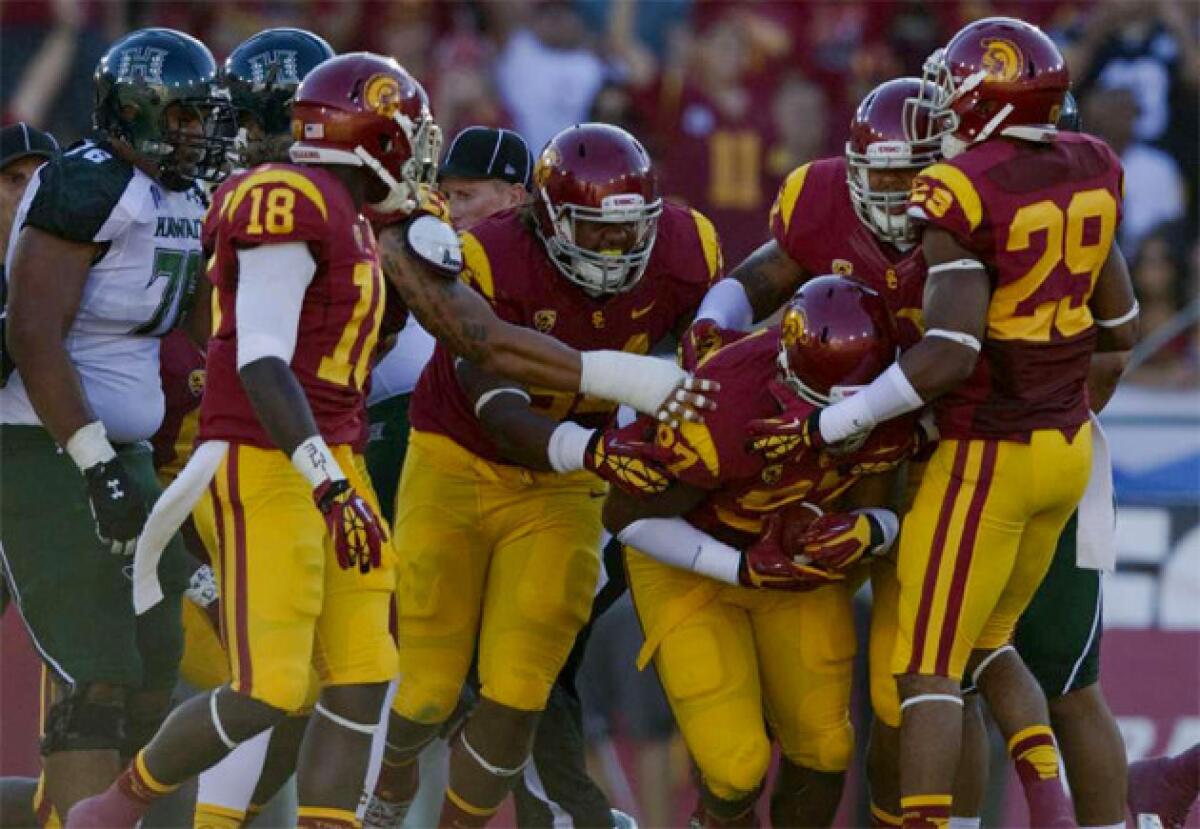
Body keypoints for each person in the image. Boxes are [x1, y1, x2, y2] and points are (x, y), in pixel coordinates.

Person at [763, 17, 1139, 828]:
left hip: (986, 452)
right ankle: (1052, 812)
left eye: (952, 92)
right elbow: (1125, 329)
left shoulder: (960, 188)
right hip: (1066, 447)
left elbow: (950, 354)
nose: (939, 113)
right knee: (992, 656)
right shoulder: (1094, 166)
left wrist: (837, 424)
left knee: (934, 671)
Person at [65, 51, 413, 829]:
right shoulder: (287, 197)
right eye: (402, 129)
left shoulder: (351, 212)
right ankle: (115, 807)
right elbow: (260, 358)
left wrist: (334, 474)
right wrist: (326, 480)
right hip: (267, 461)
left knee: (364, 670)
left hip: (329, 456)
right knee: (271, 685)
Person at [369, 122, 722, 827]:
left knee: (521, 686)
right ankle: (389, 780)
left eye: (628, 230)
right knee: (432, 687)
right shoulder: (491, 255)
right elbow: (498, 400)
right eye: (595, 229)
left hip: (568, 485)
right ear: (544, 216)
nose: (617, 248)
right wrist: (605, 437)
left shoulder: (689, 248)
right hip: (459, 460)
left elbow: (716, 355)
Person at [1, 27, 230, 823]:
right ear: (136, 111)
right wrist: (95, 464)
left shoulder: (184, 192)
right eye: (183, 116)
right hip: (41, 445)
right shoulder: (86, 183)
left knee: (152, 665)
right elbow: (32, 332)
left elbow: (213, 330)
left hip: (120, 448)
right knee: (95, 667)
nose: (198, 133)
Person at [601, 278, 912, 827]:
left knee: (825, 748)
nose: (838, 431)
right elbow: (626, 517)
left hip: (792, 570)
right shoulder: (722, 400)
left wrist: (867, 531)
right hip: (692, 562)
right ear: (787, 374)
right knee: (736, 766)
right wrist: (739, 567)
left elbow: (887, 512)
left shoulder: (892, 405)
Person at [0, 119, 60, 829]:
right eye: (13, 179)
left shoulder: (80, 265)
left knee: (90, 711)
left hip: (48, 493)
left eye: (42, 179)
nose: (28, 194)